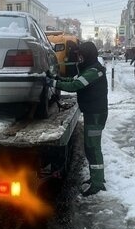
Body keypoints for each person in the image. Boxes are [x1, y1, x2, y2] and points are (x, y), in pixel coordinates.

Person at [46, 41, 108, 197]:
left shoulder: (94, 71)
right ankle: (96, 179)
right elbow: (72, 80)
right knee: (90, 148)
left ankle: (98, 183)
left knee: (93, 148)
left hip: (95, 115)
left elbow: (75, 85)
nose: (79, 58)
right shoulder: (89, 68)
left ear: (88, 55)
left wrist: (52, 83)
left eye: (81, 55)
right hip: (92, 112)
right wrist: (56, 78)